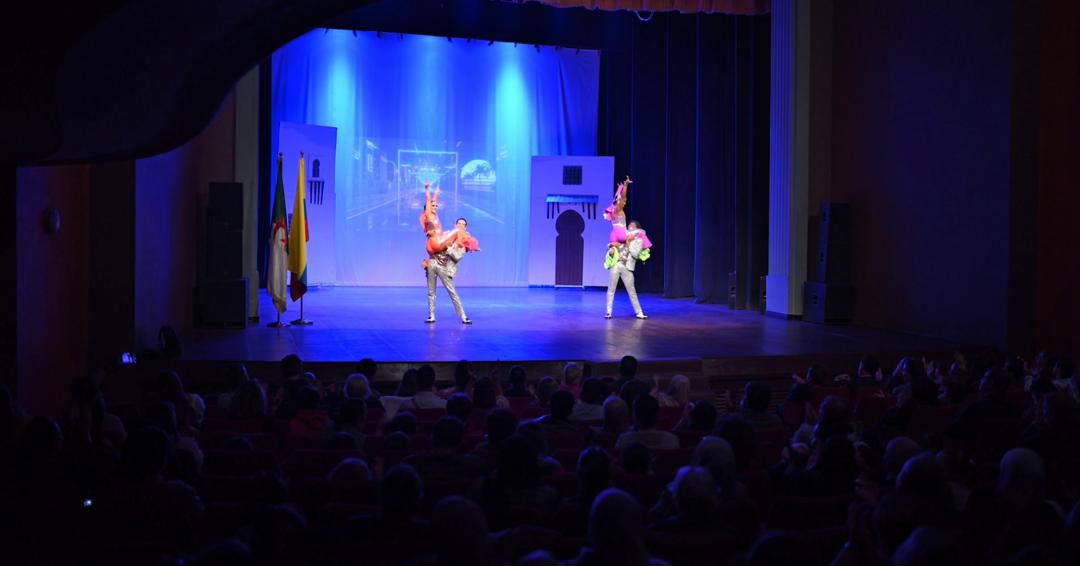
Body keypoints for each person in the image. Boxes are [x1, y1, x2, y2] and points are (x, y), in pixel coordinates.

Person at [604, 220, 648, 320]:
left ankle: (639, 312)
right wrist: (611, 247)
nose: (630, 229)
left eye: (633, 227)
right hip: (616, 264)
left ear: (637, 229)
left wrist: (628, 242)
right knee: (611, 289)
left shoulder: (639, 241)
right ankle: (608, 312)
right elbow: (609, 245)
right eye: (629, 227)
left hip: (627, 267)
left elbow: (635, 254)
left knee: (631, 291)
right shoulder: (621, 236)